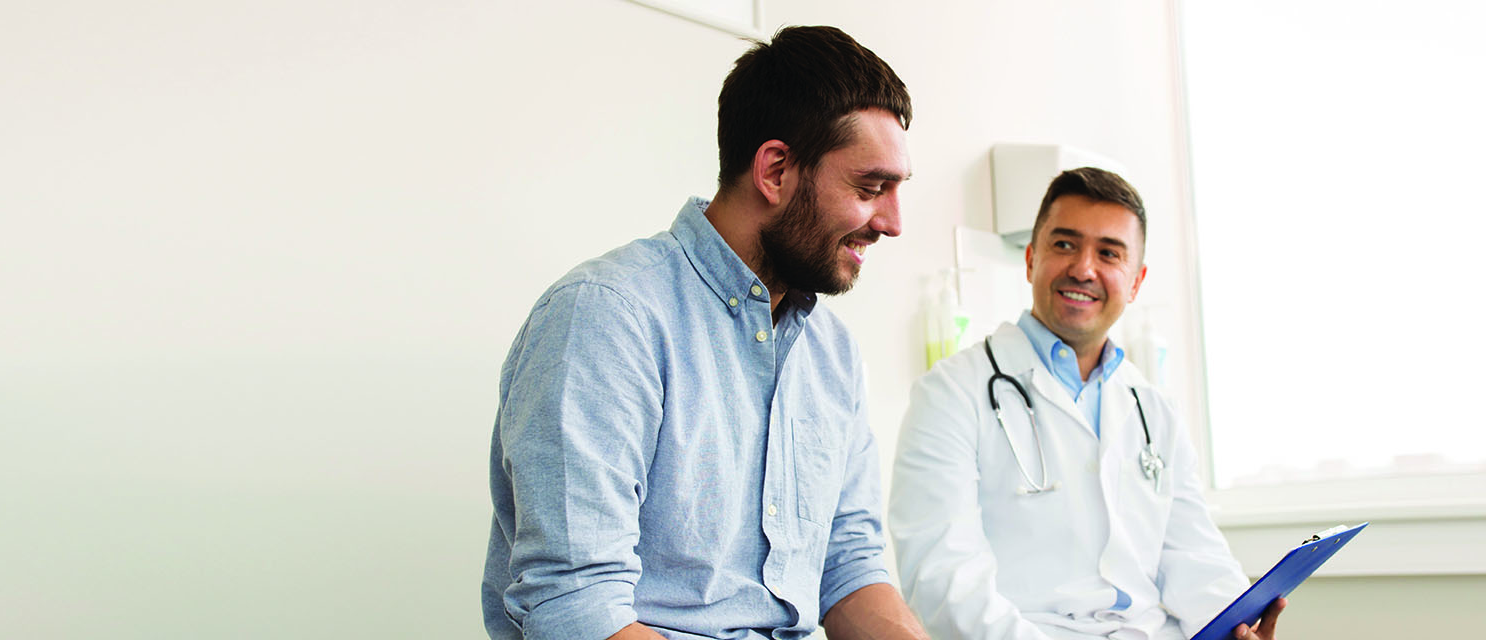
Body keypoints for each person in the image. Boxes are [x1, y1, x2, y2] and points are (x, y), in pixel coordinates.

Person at [481, 26, 928, 640]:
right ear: (775, 171)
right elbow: (577, 605)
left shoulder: (833, 354)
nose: (893, 223)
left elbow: (847, 565)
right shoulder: (606, 318)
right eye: (870, 188)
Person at [888, 168, 1286, 640]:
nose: (1083, 268)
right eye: (1064, 245)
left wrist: (1235, 623)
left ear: (1136, 281)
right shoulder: (950, 394)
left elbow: (1195, 555)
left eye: (1109, 253)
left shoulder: (1155, 410)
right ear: (1031, 259)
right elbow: (943, 583)